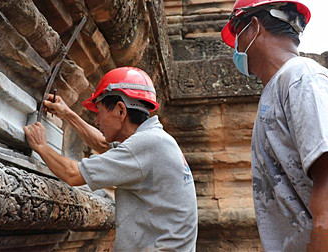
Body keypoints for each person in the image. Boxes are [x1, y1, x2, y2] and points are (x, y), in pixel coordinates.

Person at [221, 0, 328, 251]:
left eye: (238, 33)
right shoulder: (280, 88)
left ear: (254, 28)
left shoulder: (304, 81)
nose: (235, 47)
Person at [23, 67, 198, 251]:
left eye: (99, 113)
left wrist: (41, 146)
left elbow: (73, 174)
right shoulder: (155, 140)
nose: (97, 121)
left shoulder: (148, 144)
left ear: (120, 110)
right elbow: (103, 144)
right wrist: (67, 114)